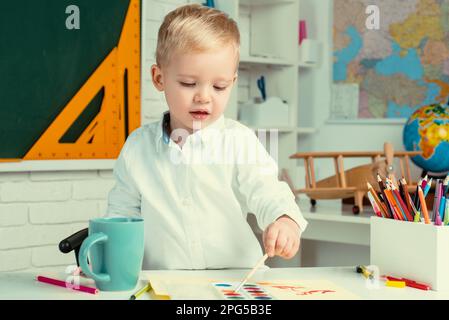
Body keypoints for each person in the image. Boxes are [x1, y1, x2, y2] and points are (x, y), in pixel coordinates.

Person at [107, 4, 308, 270]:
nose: (204, 96)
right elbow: (122, 215)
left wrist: (284, 221)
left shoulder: (239, 141)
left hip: (236, 282)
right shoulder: (137, 148)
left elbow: (268, 191)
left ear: (232, 83)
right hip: (166, 284)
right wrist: (108, 256)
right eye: (189, 84)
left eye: (219, 86)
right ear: (159, 78)